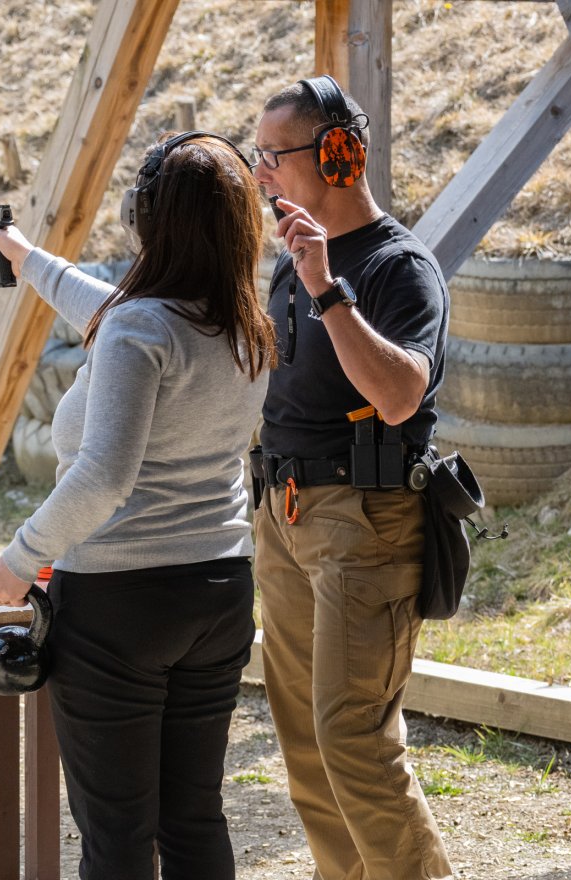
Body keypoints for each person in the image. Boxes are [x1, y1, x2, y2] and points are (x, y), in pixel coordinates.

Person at [0, 131, 276, 880]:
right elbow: (108, 311)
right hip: (219, 590)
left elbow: (104, 477)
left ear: (144, 218)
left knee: (117, 836)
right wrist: (25, 256)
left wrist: (17, 562)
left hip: (121, 604)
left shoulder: (142, 326)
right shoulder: (244, 322)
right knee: (193, 818)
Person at [249, 75, 455, 880]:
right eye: (257, 156)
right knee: (304, 737)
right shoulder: (293, 263)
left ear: (339, 155)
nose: (261, 173)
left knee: (353, 736)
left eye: (274, 156)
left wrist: (326, 289)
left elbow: (400, 395)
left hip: (363, 521)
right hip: (284, 512)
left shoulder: (401, 268)